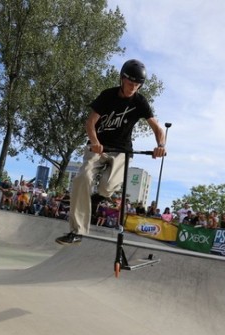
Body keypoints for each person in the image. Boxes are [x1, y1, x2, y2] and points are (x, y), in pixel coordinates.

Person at [55, 59, 166, 244]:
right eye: (130, 83)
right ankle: (77, 231)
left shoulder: (140, 101)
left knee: (107, 187)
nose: (133, 88)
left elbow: (157, 129)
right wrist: (95, 142)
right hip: (99, 148)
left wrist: (160, 146)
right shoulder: (107, 96)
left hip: (121, 151)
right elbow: (90, 123)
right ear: (122, 79)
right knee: (82, 178)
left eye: (137, 85)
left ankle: (98, 197)